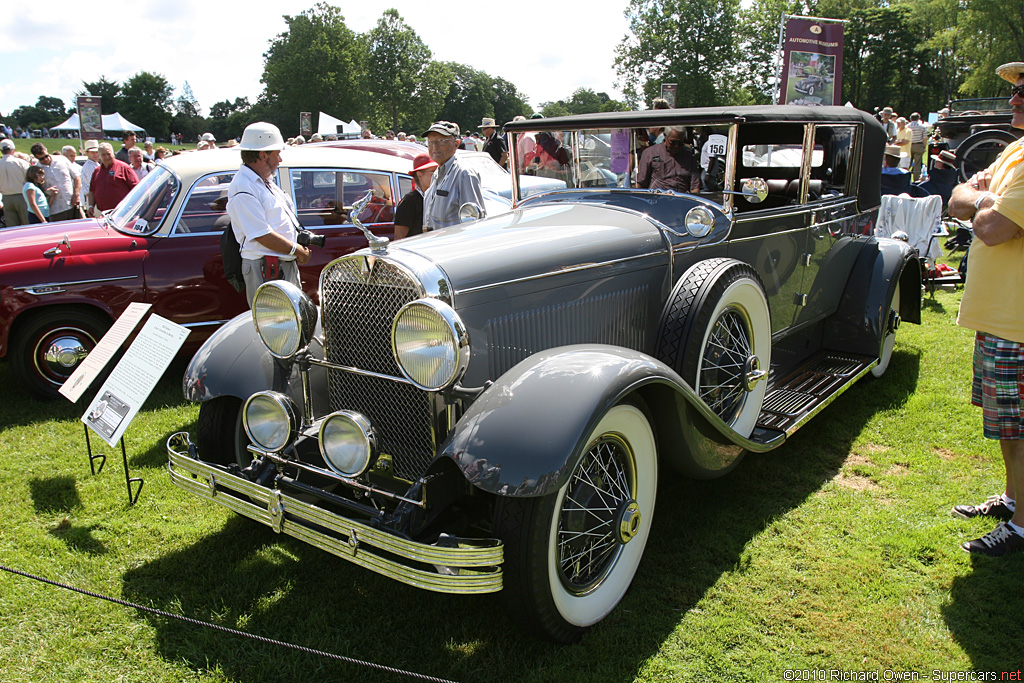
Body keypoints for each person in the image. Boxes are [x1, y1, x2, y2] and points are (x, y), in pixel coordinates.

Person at [946, 60, 1024, 556]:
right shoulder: (1016, 149)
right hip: (1000, 316)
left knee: (1023, 427)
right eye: (1015, 90)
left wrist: (982, 201)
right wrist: (984, 199)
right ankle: (1015, 502)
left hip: (1019, 320)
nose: (1014, 99)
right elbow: (957, 200)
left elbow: (994, 230)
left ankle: (1021, 530)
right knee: (1008, 424)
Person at [227, 121, 311, 307]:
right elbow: (261, 234)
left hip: (276, 265)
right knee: (277, 327)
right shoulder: (244, 187)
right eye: (277, 154)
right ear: (263, 154)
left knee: (292, 321)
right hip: (267, 268)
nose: (280, 159)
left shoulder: (261, 182)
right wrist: (297, 250)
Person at [421, 121, 486, 231]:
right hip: (434, 244)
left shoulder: (464, 174)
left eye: (441, 141)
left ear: (456, 144)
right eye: (430, 142)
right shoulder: (438, 172)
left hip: (452, 245)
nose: (434, 147)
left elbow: (474, 223)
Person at [636, 125, 701, 193]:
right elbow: (641, 183)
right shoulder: (650, 153)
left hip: (680, 199)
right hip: (657, 198)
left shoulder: (688, 156)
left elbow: (695, 186)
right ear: (665, 136)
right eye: (673, 142)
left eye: (680, 143)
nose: (676, 146)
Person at [30, 142, 80, 221]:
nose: (46, 159)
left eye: (46, 156)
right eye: (41, 159)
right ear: (36, 158)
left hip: (72, 203)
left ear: (46, 150)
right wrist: (46, 191)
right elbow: (35, 191)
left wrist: (76, 194)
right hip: (55, 209)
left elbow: (77, 177)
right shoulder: (37, 169)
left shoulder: (61, 159)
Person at [393, 153, 438, 239]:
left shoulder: (439, 196)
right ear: (419, 175)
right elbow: (399, 238)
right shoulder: (409, 202)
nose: (438, 175)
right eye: (433, 172)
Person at [90, 142, 138, 212]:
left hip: (121, 212)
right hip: (102, 212)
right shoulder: (97, 171)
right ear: (99, 156)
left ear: (113, 154)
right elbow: (92, 190)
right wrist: (91, 206)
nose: (107, 157)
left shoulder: (124, 168)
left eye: (108, 154)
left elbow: (136, 188)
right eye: (103, 155)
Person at [1, 138, 31, 227]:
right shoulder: (21, 163)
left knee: (12, 227)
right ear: (13, 150)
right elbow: (29, 179)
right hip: (22, 195)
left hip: (6, 197)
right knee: (27, 224)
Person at [80, 140, 100, 214]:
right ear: (87, 153)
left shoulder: (95, 164)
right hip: (93, 198)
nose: (95, 154)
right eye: (92, 152)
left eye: (96, 152)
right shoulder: (89, 166)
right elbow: (95, 185)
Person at [907, 113, 928, 181]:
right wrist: (924, 146)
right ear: (918, 118)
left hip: (909, 145)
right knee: (917, 164)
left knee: (908, 163)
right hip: (918, 145)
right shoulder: (922, 126)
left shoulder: (907, 126)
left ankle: (906, 177)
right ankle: (916, 179)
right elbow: (925, 138)